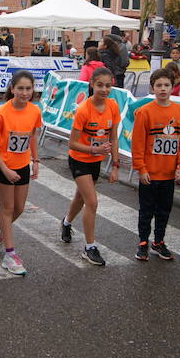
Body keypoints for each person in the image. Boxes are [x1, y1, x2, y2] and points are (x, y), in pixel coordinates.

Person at [61, 67, 120, 266]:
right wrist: (94, 150)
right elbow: (72, 143)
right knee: (92, 202)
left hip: (96, 161)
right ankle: (89, 247)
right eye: (100, 85)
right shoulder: (84, 109)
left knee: (80, 197)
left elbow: (113, 137)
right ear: (92, 85)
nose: (104, 89)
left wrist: (115, 165)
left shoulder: (112, 106)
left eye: (108, 85)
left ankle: (66, 222)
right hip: (79, 159)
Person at [0, 70, 43, 276]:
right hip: (3, 166)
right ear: (12, 89)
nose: (25, 92)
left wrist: (35, 161)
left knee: (19, 208)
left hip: (22, 165)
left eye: (28, 88)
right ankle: (10, 255)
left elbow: (32, 137)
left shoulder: (34, 111)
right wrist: (5, 168)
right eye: (20, 88)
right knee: (8, 208)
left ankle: (1, 226)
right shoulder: (1, 113)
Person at [131, 68, 180, 262]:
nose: (163, 89)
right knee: (146, 210)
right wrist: (141, 168)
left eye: (167, 85)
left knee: (164, 211)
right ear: (152, 88)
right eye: (159, 85)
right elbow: (137, 143)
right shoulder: (144, 112)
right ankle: (142, 243)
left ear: (173, 87)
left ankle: (159, 241)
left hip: (169, 174)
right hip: (149, 174)